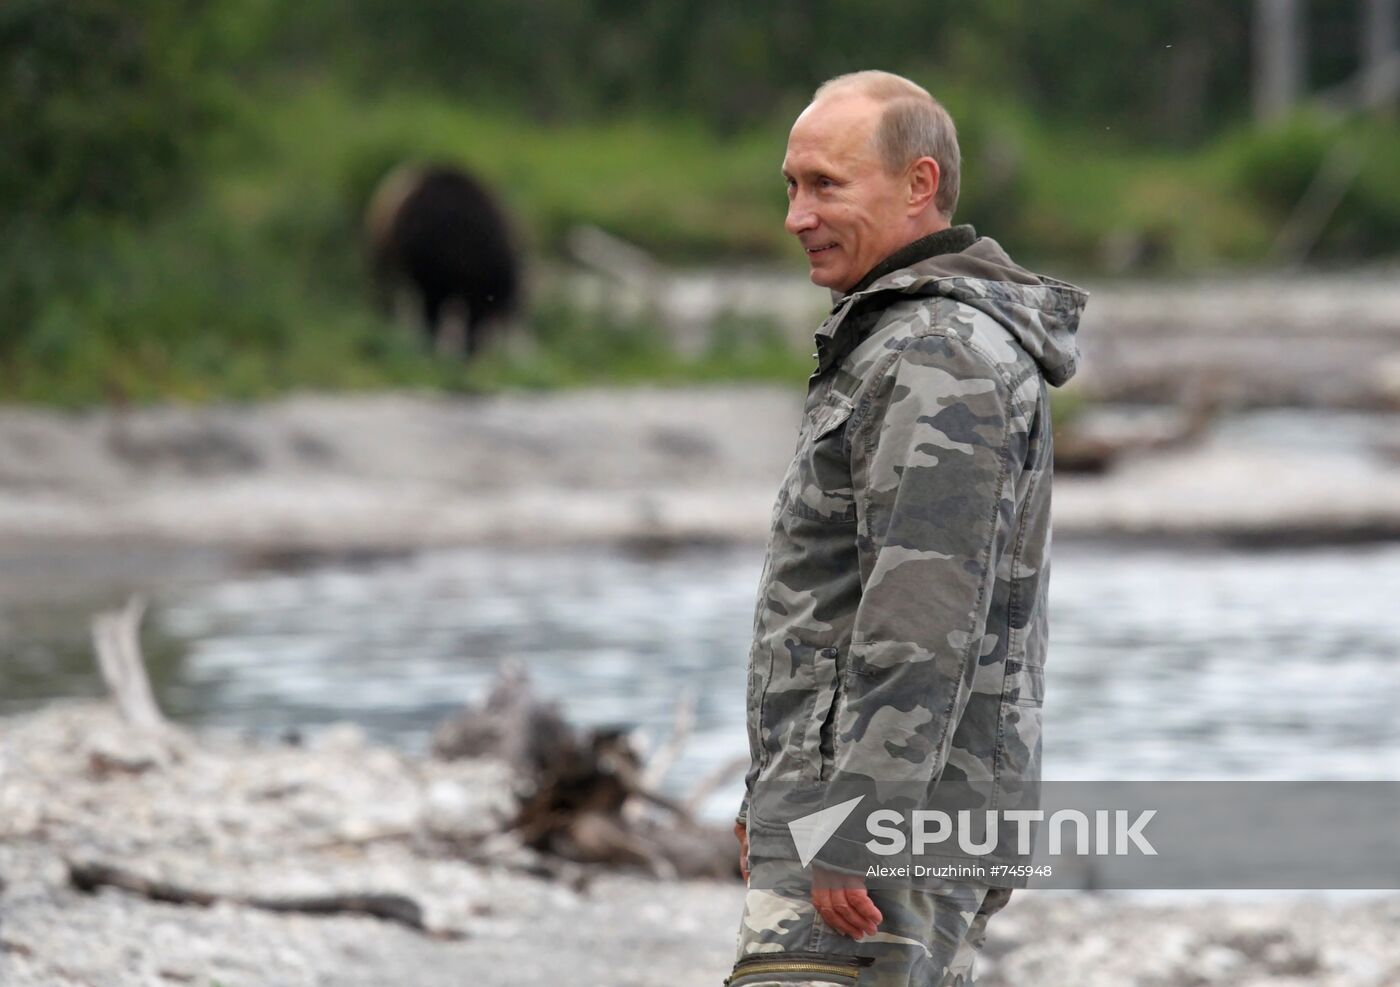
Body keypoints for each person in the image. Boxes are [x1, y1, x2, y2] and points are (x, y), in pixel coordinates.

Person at [728, 71, 1087, 986]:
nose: (796, 216)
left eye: (826, 186)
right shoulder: (907, 339)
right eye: (792, 186)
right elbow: (842, 606)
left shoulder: (935, 355)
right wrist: (775, 795)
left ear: (918, 185)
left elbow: (920, 618)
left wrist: (855, 817)